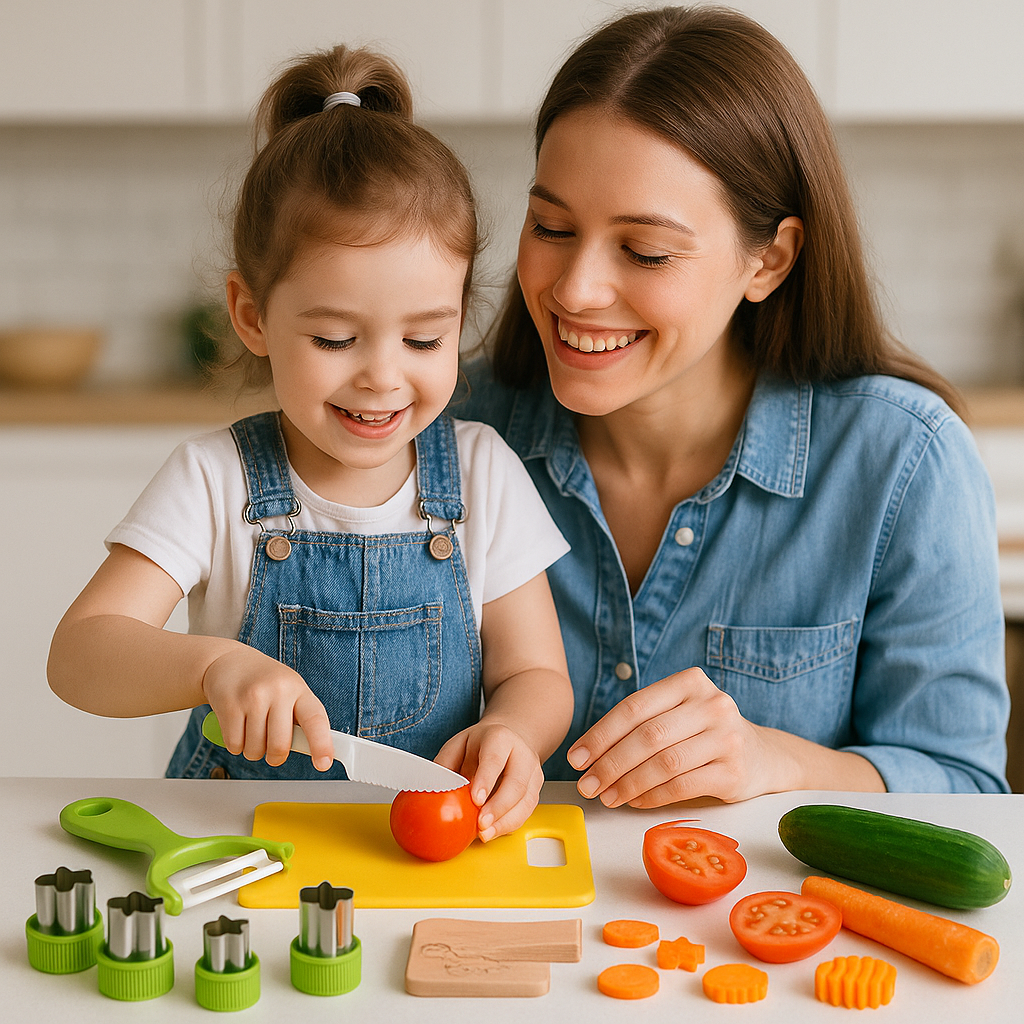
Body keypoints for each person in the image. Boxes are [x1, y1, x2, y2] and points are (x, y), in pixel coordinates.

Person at [454, 5, 1010, 805]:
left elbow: (968, 790)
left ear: (769, 261)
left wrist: (779, 764)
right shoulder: (440, 434)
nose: (574, 290)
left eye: (644, 250)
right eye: (550, 226)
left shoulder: (904, 463)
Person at [48, 44, 573, 842]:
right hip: (233, 838)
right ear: (252, 315)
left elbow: (536, 676)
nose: (382, 378)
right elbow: (80, 656)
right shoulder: (214, 479)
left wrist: (517, 734)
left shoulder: (482, 474)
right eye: (335, 338)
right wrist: (214, 665)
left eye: (425, 339)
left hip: (432, 844)